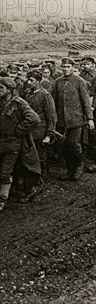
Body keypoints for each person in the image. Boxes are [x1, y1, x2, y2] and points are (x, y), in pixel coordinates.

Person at [0, 77, 40, 212]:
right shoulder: (1, 102)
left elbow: (34, 119)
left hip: (13, 143)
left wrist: (19, 130)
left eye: (1, 88)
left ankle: (2, 199)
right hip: (2, 141)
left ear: (10, 90)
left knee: (5, 172)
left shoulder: (19, 103)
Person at [52, 58, 94, 181]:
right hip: (62, 120)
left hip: (76, 119)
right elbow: (54, 102)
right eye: (64, 66)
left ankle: (79, 165)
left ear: (72, 67)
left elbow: (86, 101)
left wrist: (90, 118)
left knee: (73, 144)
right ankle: (70, 169)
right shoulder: (57, 82)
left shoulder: (79, 81)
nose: (66, 69)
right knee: (64, 145)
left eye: (68, 66)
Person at [22, 71, 57, 192]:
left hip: (40, 131)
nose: (28, 82)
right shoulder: (27, 93)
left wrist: (49, 134)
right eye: (28, 80)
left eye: (31, 80)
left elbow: (51, 116)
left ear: (38, 81)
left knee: (40, 157)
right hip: (29, 131)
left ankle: (40, 181)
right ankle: (33, 180)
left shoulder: (45, 95)